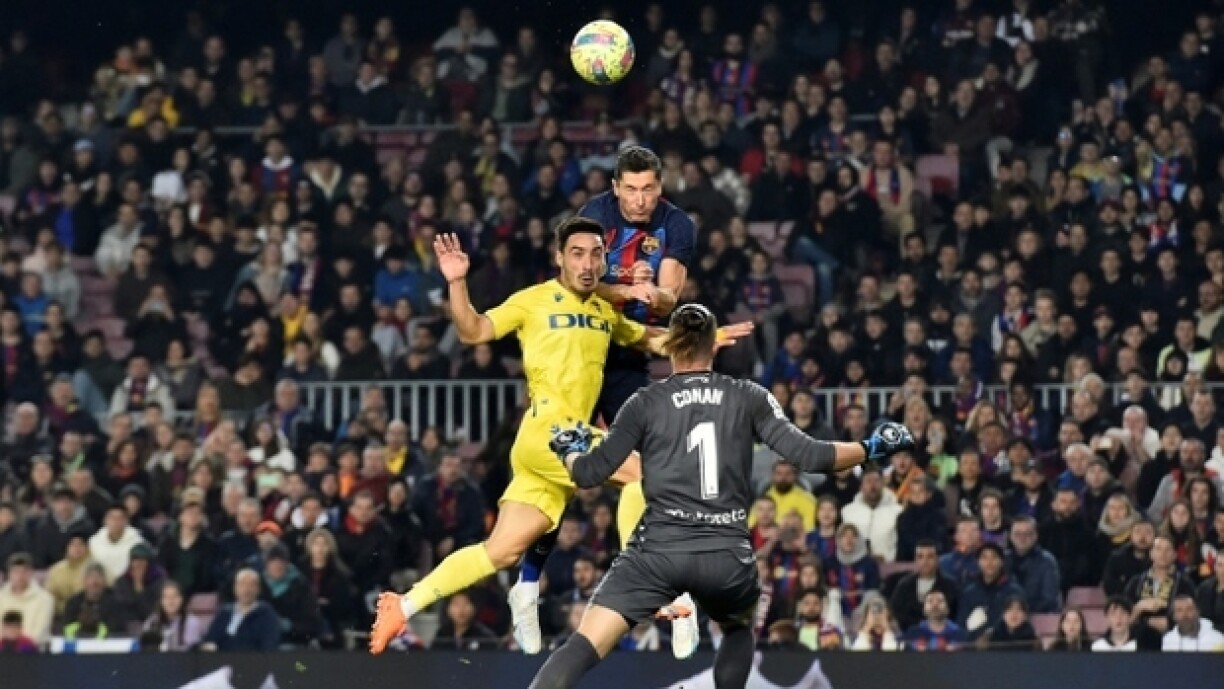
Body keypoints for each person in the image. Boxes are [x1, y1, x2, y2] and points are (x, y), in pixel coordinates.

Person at [368, 222, 750, 655]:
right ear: (559, 257)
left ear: (604, 261)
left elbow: (651, 341)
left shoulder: (605, 313)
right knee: (645, 474)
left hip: (553, 445)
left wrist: (705, 342)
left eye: (594, 254)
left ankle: (404, 603)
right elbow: (473, 331)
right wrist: (457, 283)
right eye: (576, 253)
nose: (586, 263)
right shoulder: (533, 301)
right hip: (551, 431)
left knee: (501, 551)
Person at [521, 303, 915, 688]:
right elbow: (812, 456)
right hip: (726, 554)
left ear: (670, 345)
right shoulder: (748, 396)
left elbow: (589, 474)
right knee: (738, 627)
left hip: (657, 552)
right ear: (716, 345)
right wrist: (872, 446)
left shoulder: (645, 402)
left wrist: (569, 449)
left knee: (584, 646)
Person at [513, 144, 698, 658]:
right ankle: (526, 588)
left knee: (652, 467)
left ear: (660, 187)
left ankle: (675, 597)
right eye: (630, 190)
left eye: (649, 190)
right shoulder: (592, 217)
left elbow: (669, 296)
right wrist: (624, 288)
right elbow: (579, 284)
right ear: (615, 188)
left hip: (625, 354)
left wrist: (650, 295)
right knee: (557, 487)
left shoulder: (677, 225)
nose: (640, 201)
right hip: (576, 351)